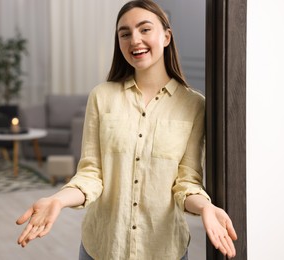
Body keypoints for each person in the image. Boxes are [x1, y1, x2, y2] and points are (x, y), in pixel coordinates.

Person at [16, 0, 238, 259]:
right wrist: (58, 199)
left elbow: (186, 183)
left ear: (166, 36)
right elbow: (91, 174)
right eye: (125, 33)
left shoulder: (194, 105)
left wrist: (205, 208)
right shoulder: (101, 96)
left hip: (164, 250)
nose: (135, 40)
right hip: (101, 248)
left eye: (145, 29)